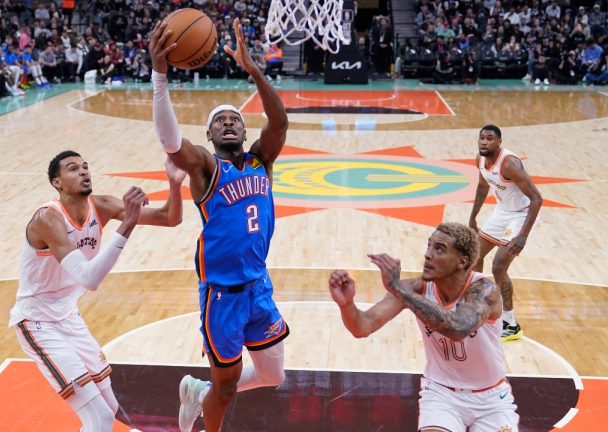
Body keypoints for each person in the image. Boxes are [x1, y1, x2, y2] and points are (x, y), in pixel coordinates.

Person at [149, 17, 290, 432]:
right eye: (219, 121)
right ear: (209, 135)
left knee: (274, 376)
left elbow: (279, 121)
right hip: (223, 298)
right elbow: (172, 143)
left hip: (258, 287)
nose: (229, 123)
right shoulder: (208, 169)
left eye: (235, 119)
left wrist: (253, 69)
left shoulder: (260, 160)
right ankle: (207, 410)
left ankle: (196, 392)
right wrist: (161, 77)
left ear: (245, 130)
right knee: (225, 388)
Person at [9, 150, 185, 431]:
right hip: (37, 322)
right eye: (73, 168)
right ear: (57, 182)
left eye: (85, 167)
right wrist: (127, 225)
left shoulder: (101, 206)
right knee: (99, 418)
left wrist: (174, 184)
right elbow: (88, 278)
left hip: (68, 316)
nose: (83, 172)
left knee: (109, 410)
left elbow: (169, 218)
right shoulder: (47, 219)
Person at [329, 222, 520, 431]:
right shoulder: (414, 289)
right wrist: (346, 304)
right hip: (441, 394)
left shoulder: (485, 290)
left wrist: (398, 289)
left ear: (461, 262)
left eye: (439, 249)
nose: (428, 255)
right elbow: (362, 327)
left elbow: (459, 328)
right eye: (429, 246)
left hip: (491, 399)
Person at [468, 125, 541, 342]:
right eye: (481, 138)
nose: (484, 142)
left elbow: (537, 199)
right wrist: (473, 217)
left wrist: (522, 235)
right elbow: (482, 188)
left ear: (499, 142)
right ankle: (478, 306)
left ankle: (511, 323)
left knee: (499, 265)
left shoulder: (509, 164)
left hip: (520, 216)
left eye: (489, 138)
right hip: (502, 213)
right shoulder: (479, 160)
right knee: (475, 256)